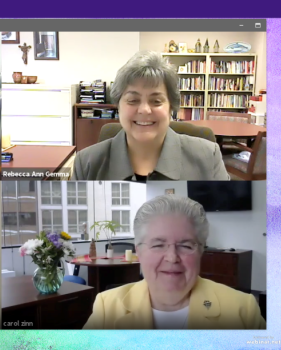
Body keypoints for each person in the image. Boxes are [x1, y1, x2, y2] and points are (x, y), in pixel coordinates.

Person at [83, 195, 265, 329]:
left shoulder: (242, 310)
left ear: (201, 251)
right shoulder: (108, 306)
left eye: (186, 246)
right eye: (158, 245)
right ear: (139, 251)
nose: (172, 257)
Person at [72, 51, 229, 181]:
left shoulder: (208, 158)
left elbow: (227, 217)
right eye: (133, 100)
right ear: (118, 106)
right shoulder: (86, 164)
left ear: (171, 107)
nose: (145, 110)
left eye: (156, 101)